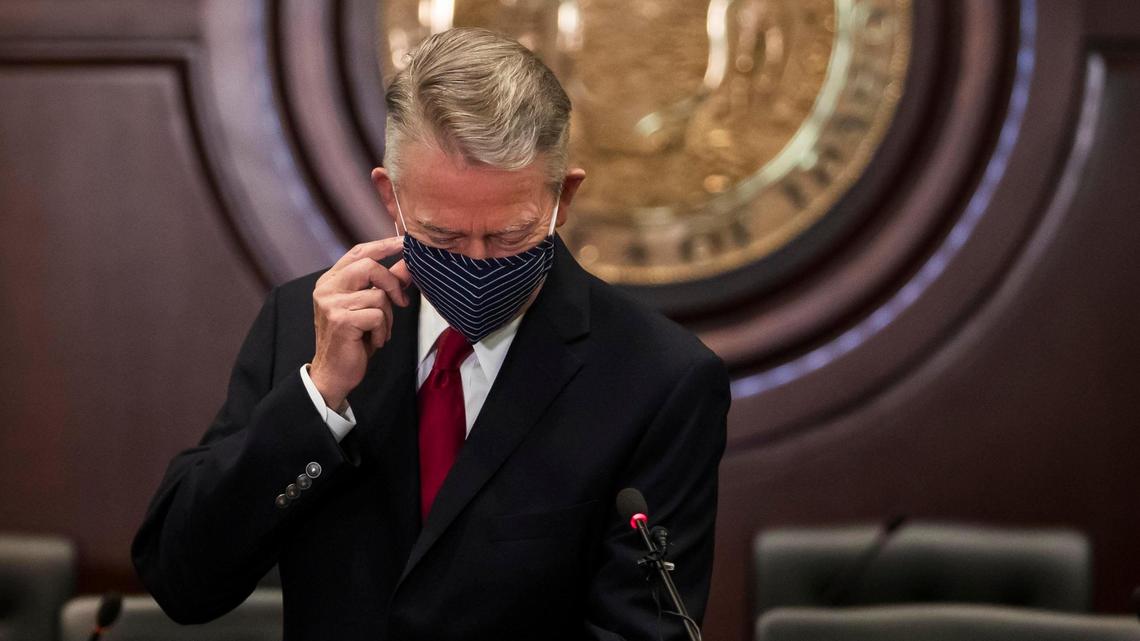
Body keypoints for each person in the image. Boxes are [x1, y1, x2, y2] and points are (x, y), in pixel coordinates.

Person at [132, 27, 730, 641]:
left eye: (509, 236)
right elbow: (183, 580)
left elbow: (641, 630)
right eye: (443, 236)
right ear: (390, 197)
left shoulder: (659, 377)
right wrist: (319, 398)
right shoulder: (299, 322)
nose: (475, 261)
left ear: (563, 198)